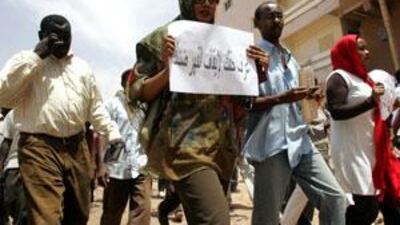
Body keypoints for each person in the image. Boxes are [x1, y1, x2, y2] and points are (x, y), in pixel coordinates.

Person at [127, 0, 268, 224]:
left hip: (222, 148)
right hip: (185, 147)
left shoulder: (226, 42)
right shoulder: (164, 38)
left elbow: (241, 99)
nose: (206, 4)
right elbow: (138, 92)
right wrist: (167, 70)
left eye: (213, 0)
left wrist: (256, 75)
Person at [0, 15, 123, 225]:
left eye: (67, 37)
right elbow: (4, 94)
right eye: (56, 37)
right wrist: (37, 56)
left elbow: (95, 107)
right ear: (42, 36)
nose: (63, 43)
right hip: (39, 148)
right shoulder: (27, 63)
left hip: (77, 146)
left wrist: (113, 134)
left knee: (79, 213)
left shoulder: (82, 68)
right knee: (46, 217)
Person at [243, 2, 347, 225]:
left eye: (279, 16)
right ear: (257, 23)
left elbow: (297, 102)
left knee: (335, 198)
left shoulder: (289, 56)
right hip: (272, 145)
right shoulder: (252, 55)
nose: (277, 21)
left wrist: (311, 96)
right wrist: (283, 97)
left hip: (300, 141)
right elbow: (247, 104)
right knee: (266, 218)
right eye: (270, 17)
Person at [326, 34, 400, 225]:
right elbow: (336, 111)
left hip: (371, 150)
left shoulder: (363, 79)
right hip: (352, 151)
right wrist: (370, 101)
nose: (367, 53)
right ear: (347, 51)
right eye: (361, 48)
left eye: (366, 48)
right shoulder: (338, 77)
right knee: (367, 207)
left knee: (386, 201)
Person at [98, 69, 151, 225]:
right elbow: (102, 133)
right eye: (133, 81)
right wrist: (102, 165)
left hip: (140, 166)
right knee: (111, 215)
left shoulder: (144, 105)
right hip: (116, 168)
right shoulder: (112, 104)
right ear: (124, 83)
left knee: (141, 214)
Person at [0, 110, 27, 225]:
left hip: (28, 167)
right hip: (14, 165)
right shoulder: (13, 114)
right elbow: (6, 141)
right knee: (12, 202)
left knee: (22, 210)